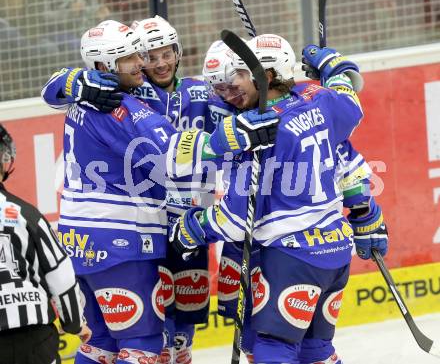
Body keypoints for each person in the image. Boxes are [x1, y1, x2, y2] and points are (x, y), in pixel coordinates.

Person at [41, 20, 278, 364]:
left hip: (81, 240)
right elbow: (171, 152)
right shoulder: (124, 106)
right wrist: (235, 135)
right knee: (144, 347)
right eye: (132, 57)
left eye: (145, 54)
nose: (144, 63)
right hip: (121, 241)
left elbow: (56, 91)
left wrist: (72, 80)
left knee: (102, 344)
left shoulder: (86, 99)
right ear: (105, 66)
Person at [170, 34, 388, 364]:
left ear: (266, 76)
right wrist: (332, 64)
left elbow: (233, 220)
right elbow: (349, 102)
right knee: (317, 351)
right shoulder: (320, 103)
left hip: (292, 258)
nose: (234, 82)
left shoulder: (259, 134)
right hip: (334, 252)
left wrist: (193, 228)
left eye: (242, 74)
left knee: (272, 349)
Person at [0, 123, 91, 364]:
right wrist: (74, 323)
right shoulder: (26, 214)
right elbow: (60, 274)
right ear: (5, 159)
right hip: (33, 338)